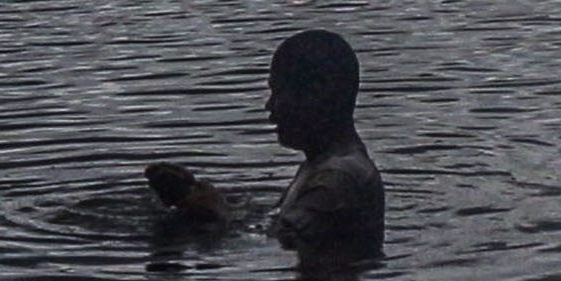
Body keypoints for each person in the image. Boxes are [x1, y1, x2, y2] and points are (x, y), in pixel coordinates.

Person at [145, 28, 384, 258]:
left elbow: (278, 240)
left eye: (278, 93)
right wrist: (193, 197)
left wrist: (214, 214)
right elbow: (271, 223)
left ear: (317, 93)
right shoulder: (324, 166)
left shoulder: (337, 179)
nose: (270, 107)